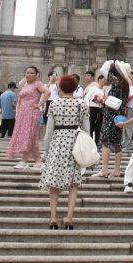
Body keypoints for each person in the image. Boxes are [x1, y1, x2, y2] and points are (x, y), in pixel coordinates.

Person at [39, 74, 86, 230]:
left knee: (54, 181)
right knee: (73, 182)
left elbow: (49, 132)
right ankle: (69, 218)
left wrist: (45, 152)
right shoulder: (81, 104)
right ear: (75, 87)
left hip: (58, 142)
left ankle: (53, 217)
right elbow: (87, 129)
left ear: (59, 87)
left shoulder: (54, 104)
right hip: (75, 141)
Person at [7, 66, 49, 170]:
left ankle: (24, 161)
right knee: (32, 137)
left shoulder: (38, 84)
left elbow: (47, 92)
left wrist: (39, 104)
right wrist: (18, 111)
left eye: (31, 73)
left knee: (29, 136)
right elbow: (20, 99)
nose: (29, 74)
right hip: (23, 113)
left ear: (36, 74)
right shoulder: (25, 85)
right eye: (27, 72)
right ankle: (38, 161)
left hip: (32, 113)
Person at [94, 61, 130, 179]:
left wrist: (102, 100)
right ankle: (116, 170)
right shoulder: (125, 84)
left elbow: (103, 70)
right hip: (119, 117)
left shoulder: (116, 82)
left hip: (110, 115)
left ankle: (104, 170)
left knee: (105, 142)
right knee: (116, 143)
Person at [84, 74, 107, 143]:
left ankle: (96, 142)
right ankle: (89, 142)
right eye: (104, 80)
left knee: (99, 126)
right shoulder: (93, 88)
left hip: (100, 109)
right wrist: (88, 106)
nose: (105, 81)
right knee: (91, 125)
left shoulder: (104, 90)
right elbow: (87, 97)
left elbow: (105, 100)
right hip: (92, 108)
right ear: (99, 80)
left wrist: (102, 101)